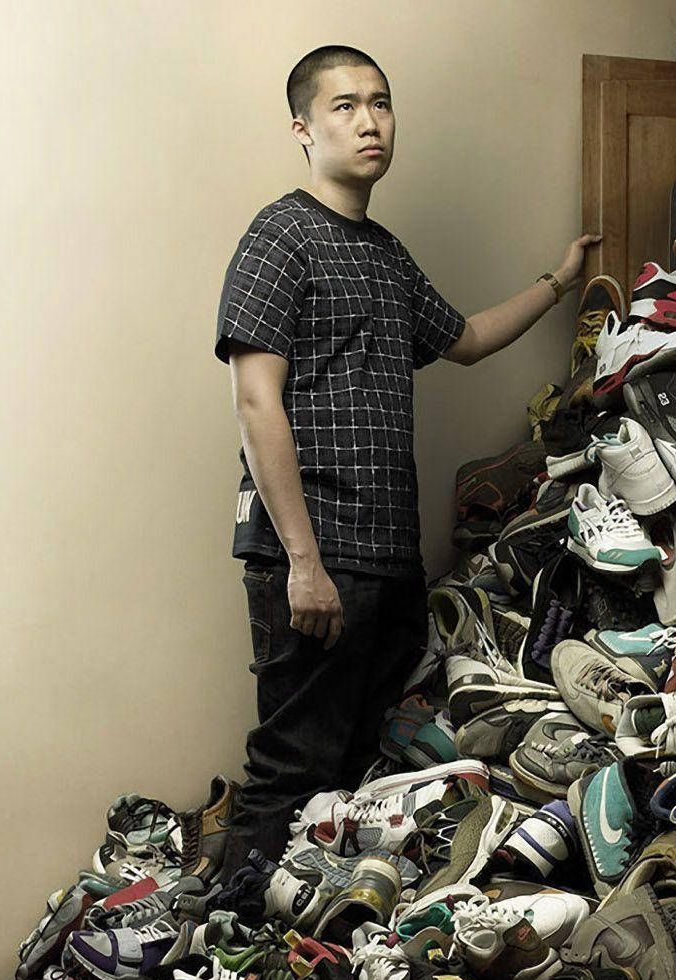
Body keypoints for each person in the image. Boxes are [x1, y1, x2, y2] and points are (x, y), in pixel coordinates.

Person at [214, 44, 598, 867]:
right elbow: (256, 403)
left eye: (381, 103)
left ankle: (317, 966)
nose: (369, 121)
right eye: (345, 105)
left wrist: (558, 282)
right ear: (303, 129)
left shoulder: (385, 253)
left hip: (387, 560)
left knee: (361, 780)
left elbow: (463, 339)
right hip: (315, 556)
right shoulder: (280, 236)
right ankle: (232, 951)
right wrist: (302, 562)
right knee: (291, 773)